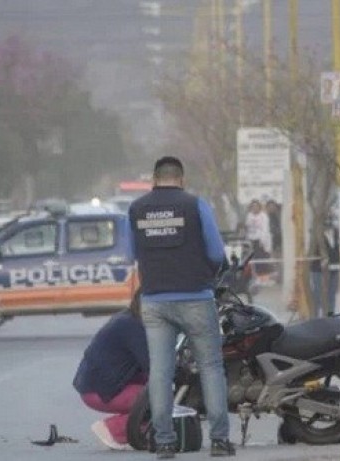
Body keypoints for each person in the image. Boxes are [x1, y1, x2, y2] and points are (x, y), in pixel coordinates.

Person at [128, 156, 235, 459]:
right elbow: (216, 253)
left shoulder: (136, 209)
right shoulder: (195, 204)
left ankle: (164, 442)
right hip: (196, 297)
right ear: (181, 179)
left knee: (161, 372)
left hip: (154, 300)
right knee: (211, 367)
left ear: (154, 178)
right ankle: (219, 441)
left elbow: (130, 254)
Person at [73, 291, 148, 451]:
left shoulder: (127, 318)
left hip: (97, 385)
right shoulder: (133, 327)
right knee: (163, 398)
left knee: (161, 394)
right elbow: (154, 367)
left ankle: (135, 428)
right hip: (102, 390)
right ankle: (113, 429)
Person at [309, 216, 340, 318]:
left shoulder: (337, 233)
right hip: (318, 269)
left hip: (334, 269)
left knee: (331, 296)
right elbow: (311, 251)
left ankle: (330, 317)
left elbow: (338, 250)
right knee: (318, 296)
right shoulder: (314, 234)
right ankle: (316, 319)